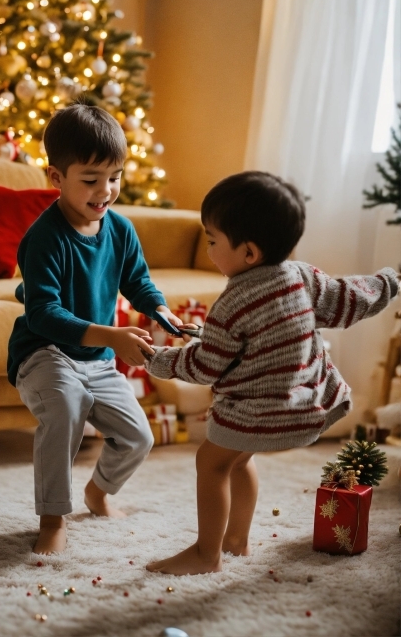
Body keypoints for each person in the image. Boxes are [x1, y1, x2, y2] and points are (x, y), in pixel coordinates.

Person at [126, 171, 398, 576]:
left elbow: (205, 365)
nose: (209, 248)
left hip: (256, 411)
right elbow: (349, 296)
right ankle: (236, 541)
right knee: (237, 460)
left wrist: (154, 359)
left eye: (213, 240)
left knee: (211, 463)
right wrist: (389, 282)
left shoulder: (233, 302)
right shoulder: (300, 275)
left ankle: (206, 554)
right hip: (304, 403)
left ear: (249, 252)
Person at [7, 103, 181, 555]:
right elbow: (43, 314)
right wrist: (112, 337)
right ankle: (52, 519)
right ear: (56, 178)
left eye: (115, 176)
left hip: (96, 359)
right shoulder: (45, 238)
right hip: (44, 351)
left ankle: (97, 493)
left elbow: (137, 280)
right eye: (90, 179)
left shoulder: (120, 230)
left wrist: (160, 309)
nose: (105, 190)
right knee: (64, 408)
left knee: (138, 436)